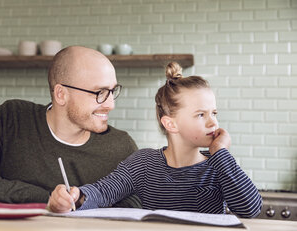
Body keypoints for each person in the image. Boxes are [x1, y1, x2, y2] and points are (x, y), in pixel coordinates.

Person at [48, 62, 263, 218]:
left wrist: (221, 153)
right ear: (171, 124)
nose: (213, 123)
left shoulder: (219, 165)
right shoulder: (144, 163)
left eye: (214, 113)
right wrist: (77, 197)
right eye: (201, 114)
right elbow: (104, 192)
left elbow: (250, 209)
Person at [0, 46, 141, 208]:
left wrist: (85, 199)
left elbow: (140, 203)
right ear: (61, 94)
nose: (111, 104)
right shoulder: (12, 119)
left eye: (113, 91)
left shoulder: (122, 146)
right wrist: (46, 197)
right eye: (100, 93)